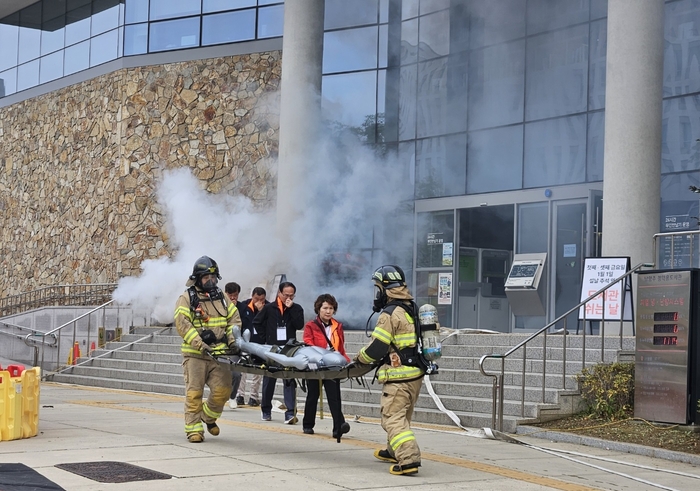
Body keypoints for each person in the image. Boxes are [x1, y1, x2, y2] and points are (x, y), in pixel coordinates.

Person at [355, 265, 424, 476]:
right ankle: (394, 450)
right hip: (415, 375)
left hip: (398, 376)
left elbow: (377, 348)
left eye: (377, 288)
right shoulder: (412, 308)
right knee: (402, 417)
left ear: (384, 289)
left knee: (391, 417)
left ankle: (409, 460)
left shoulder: (390, 313)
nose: (376, 294)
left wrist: (359, 359)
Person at [174, 256, 240, 443]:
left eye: (213, 278)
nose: (210, 282)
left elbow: (234, 320)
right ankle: (194, 429)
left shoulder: (222, 298)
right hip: (195, 354)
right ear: (197, 278)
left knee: (224, 390)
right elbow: (182, 324)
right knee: (194, 393)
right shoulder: (186, 298)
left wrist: (233, 340)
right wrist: (199, 343)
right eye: (206, 278)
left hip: (219, 354)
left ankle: (208, 417)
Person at [253, 281, 304, 424]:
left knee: (289, 380)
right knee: (269, 380)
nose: (288, 298)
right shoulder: (269, 308)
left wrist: (291, 308)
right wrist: (266, 338)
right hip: (272, 348)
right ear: (279, 293)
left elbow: (299, 324)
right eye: (286, 295)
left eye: (291, 295)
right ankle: (266, 409)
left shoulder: (297, 308)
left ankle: (290, 413)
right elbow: (257, 322)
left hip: (289, 348)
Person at [302, 293, 351, 441]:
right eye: (325, 308)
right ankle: (308, 424)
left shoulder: (338, 326)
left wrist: (345, 360)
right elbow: (308, 343)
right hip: (316, 365)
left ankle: (338, 428)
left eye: (331, 308)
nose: (328, 311)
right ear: (318, 309)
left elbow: (341, 347)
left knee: (334, 397)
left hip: (333, 366)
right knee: (313, 395)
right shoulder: (311, 325)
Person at [234, 286, 267, 407]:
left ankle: (254, 396)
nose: (259, 301)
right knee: (242, 369)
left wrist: (261, 311)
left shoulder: (267, 307)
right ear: (252, 296)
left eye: (262, 299)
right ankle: (240, 395)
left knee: (258, 371)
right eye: (256, 298)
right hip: (246, 341)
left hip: (260, 342)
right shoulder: (244, 306)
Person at [224, 282, 244, 409]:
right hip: (220, 345)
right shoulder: (218, 307)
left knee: (237, 374)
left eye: (235, 295)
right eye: (230, 295)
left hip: (235, 347)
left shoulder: (243, 308)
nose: (232, 298)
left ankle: (232, 396)